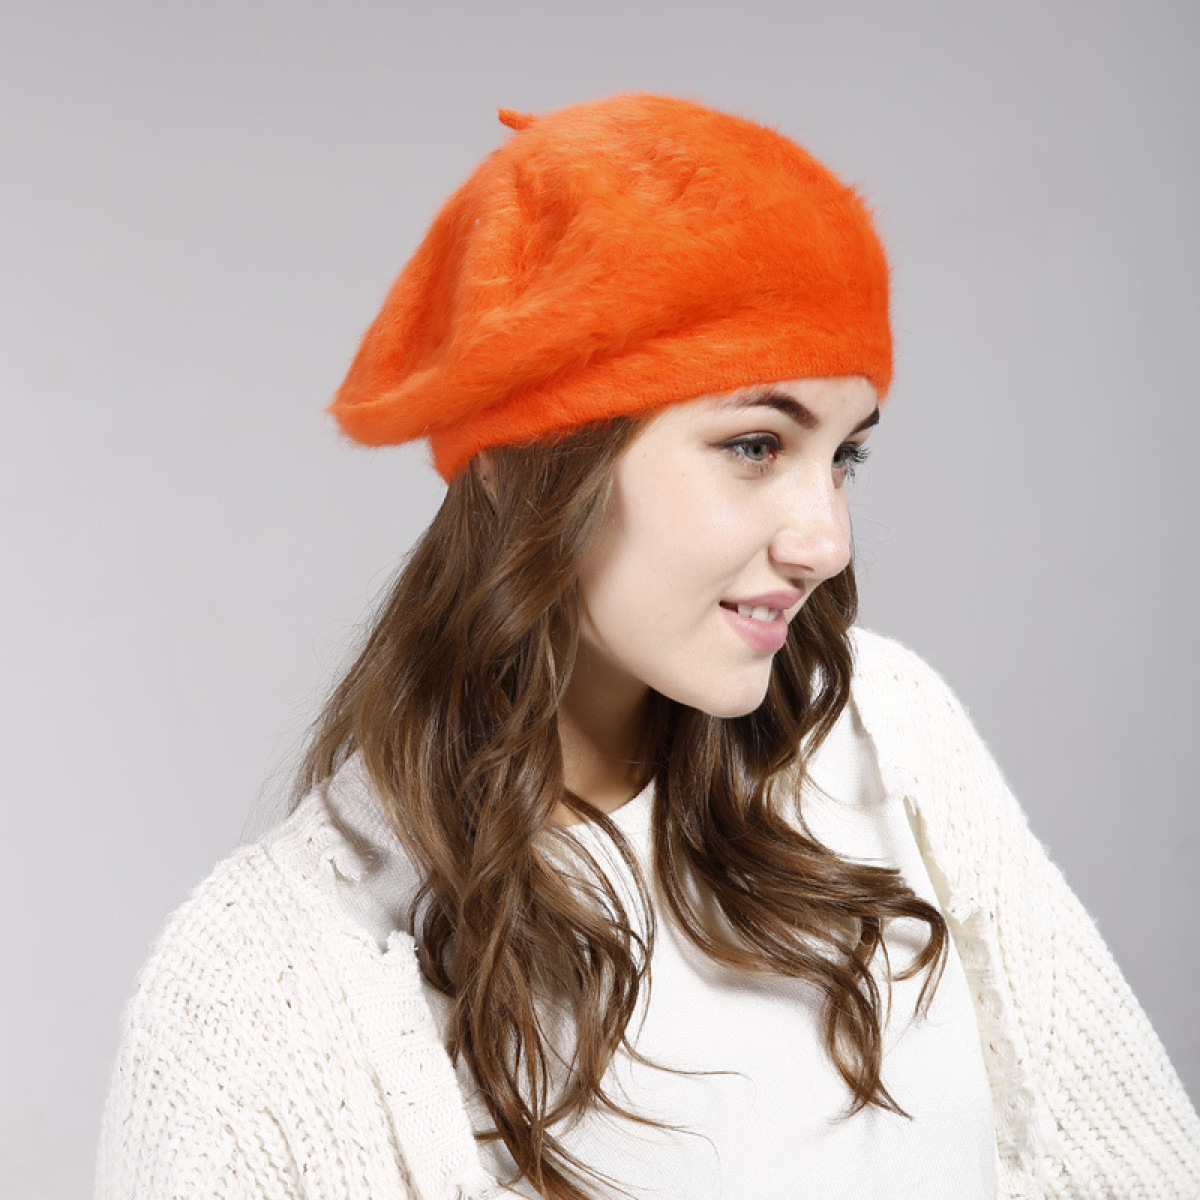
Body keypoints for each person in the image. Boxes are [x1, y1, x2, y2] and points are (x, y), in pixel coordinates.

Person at [94, 93, 1200, 1200]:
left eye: (844, 457)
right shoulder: (261, 985)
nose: (825, 541)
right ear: (526, 465)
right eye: (755, 445)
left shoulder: (889, 726)